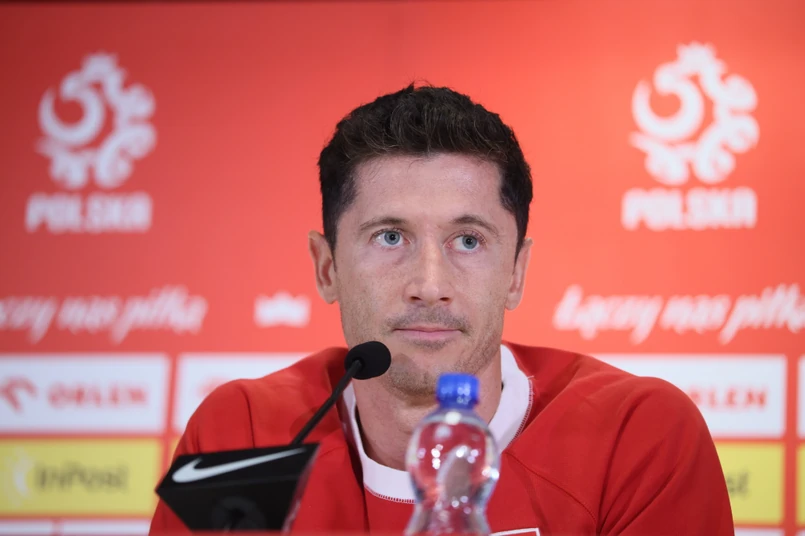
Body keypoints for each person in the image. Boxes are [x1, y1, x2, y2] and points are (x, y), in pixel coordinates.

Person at [149, 84, 734, 534]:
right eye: (390, 237)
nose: (429, 286)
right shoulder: (242, 434)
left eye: (468, 241)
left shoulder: (636, 436)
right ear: (327, 268)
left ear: (516, 273)